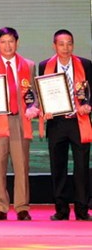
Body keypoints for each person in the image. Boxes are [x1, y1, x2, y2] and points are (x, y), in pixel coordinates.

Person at [0, 27, 40, 221]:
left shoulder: (29, 65)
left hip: (20, 121)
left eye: (11, 41)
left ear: (17, 43)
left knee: (22, 166)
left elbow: (34, 93)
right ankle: (0, 206)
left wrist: (34, 107)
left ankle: (22, 207)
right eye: (3, 42)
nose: (7, 46)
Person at [38, 29, 92, 221]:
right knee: (58, 166)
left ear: (73, 45)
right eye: (61, 44)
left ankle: (82, 209)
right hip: (57, 123)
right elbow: (42, 93)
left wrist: (88, 105)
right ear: (54, 46)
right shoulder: (45, 66)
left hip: (79, 121)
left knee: (82, 168)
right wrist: (45, 109)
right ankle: (61, 209)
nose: (65, 48)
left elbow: (91, 92)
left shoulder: (85, 64)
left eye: (69, 43)